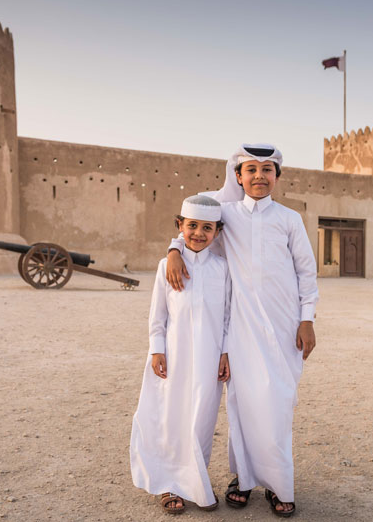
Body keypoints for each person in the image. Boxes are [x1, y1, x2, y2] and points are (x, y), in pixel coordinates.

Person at [165, 144, 318, 518]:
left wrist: (307, 318)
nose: (259, 176)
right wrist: (173, 248)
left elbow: (306, 272)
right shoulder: (226, 213)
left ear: (277, 177)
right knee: (242, 404)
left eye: (267, 170)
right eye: (251, 170)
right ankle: (243, 479)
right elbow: (193, 225)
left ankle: (280, 485)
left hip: (284, 327)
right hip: (242, 327)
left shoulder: (289, 219)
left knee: (278, 405)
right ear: (238, 176)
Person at [130, 194, 232, 514]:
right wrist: (156, 350)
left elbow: (229, 316)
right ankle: (168, 485)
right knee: (170, 419)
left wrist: (225, 352)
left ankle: (196, 482)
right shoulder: (167, 265)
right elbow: (157, 315)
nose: (199, 233)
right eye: (192, 226)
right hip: (173, 357)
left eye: (207, 228)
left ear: (218, 231)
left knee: (202, 420)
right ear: (180, 226)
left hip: (209, 357)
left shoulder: (222, 269)